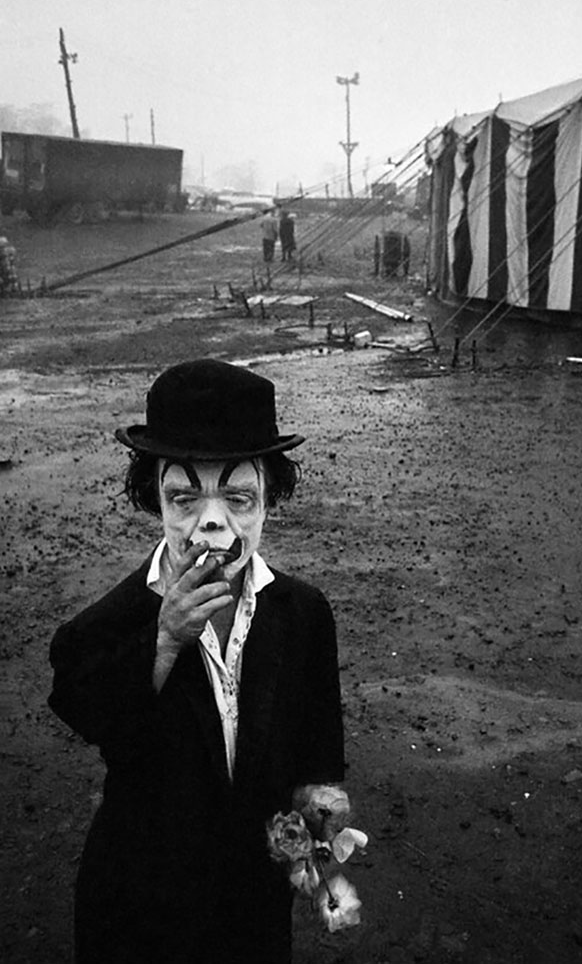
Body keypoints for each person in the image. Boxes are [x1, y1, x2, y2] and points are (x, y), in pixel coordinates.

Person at [48, 359, 345, 964]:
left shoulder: (303, 613)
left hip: (254, 912)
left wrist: (318, 847)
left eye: (237, 496)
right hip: (139, 913)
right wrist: (162, 640)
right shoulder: (108, 624)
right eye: (184, 497)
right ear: (154, 498)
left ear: (269, 500)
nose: (212, 522)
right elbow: (89, 712)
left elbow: (318, 747)